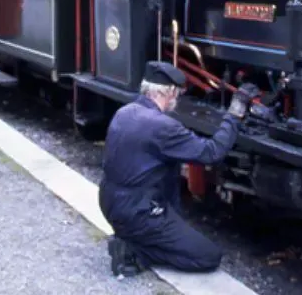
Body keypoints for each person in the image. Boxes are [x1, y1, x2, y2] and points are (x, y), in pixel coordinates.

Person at [98, 61, 256, 277]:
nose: (177, 100)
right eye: (177, 94)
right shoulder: (163, 126)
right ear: (169, 93)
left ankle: (134, 237)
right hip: (137, 212)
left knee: (168, 169)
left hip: (109, 202)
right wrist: (235, 112)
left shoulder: (124, 112)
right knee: (208, 256)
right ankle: (134, 251)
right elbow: (212, 152)